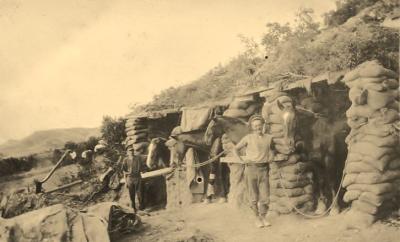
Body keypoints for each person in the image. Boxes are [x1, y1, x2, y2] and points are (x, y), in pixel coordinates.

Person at [233, 114, 275, 228]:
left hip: (264, 170)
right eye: (255, 126)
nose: (258, 128)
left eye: (259, 125)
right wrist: (241, 160)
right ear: (252, 127)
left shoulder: (269, 138)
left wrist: (271, 156)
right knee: (253, 196)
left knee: (265, 196)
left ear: (263, 125)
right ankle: (257, 218)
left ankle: (263, 217)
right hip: (251, 169)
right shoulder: (248, 138)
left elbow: (272, 150)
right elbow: (235, 149)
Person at [122, 146, 145, 213]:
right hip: (130, 178)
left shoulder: (137, 158)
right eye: (129, 151)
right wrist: (126, 182)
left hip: (137, 177)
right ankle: (133, 208)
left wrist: (143, 170)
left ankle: (141, 207)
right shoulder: (125, 160)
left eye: (132, 150)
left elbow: (141, 167)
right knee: (131, 194)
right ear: (127, 152)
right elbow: (124, 171)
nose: (131, 152)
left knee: (140, 192)